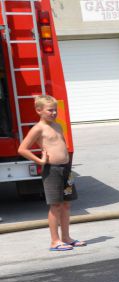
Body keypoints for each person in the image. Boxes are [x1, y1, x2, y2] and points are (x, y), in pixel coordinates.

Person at [18, 95, 86, 251]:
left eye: (55, 110)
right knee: (55, 205)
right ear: (39, 110)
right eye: (50, 110)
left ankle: (66, 238)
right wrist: (40, 161)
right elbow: (22, 148)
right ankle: (54, 241)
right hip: (52, 171)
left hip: (66, 169)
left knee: (67, 204)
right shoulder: (38, 128)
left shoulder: (57, 125)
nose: (54, 113)